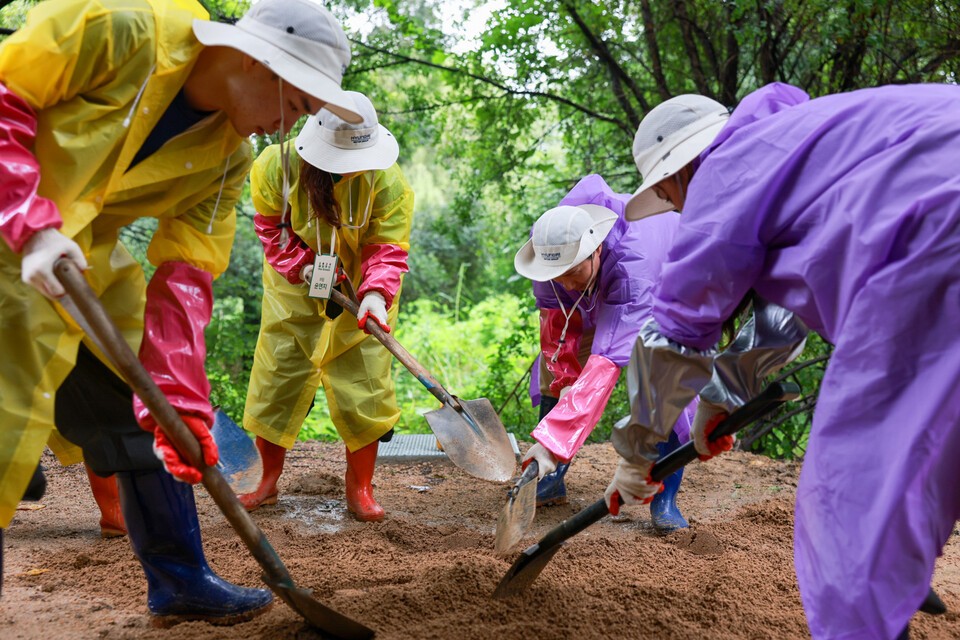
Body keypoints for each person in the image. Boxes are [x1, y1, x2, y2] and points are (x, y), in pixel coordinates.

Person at [0, 0, 362, 621]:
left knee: (153, 413)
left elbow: (186, 272)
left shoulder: (229, 158)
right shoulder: (120, 27)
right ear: (259, 62)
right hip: (19, 229)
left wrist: (179, 393)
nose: (281, 129)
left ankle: (180, 580)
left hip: (77, 258)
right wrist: (26, 220)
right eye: (295, 106)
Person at [606, 84, 960, 639]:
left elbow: (675, 333)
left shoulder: (724, 177)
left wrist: (635, 455)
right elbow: (784, 313)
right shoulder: (801, 146)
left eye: (671, 199)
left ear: (678, 176)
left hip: (935, 246)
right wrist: (720, 398)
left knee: (848, 504)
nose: (678, 210)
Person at [238, 92, 414, 522]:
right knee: (276, 379)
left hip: (363, 293)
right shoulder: (274, 168)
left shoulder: (389, 183)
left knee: (366, 386)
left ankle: (361, 489)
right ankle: (266, 480)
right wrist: (306, 270)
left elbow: (387, 249)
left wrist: (373, 296)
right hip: (292, 291)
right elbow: (273, 231)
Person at [513, 175, 695, 531]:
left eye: (572, 272)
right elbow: (556, 325)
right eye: (557, 275)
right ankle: (551, 480)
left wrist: (552, 443)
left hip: (667, 290)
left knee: (668, 385)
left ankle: (665, 496)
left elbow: (606, 362)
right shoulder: (551, 252)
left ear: (595, 250)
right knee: (553, 373)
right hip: (597, 289)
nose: (563, 281)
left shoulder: (632, 269)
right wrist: (566, 381)